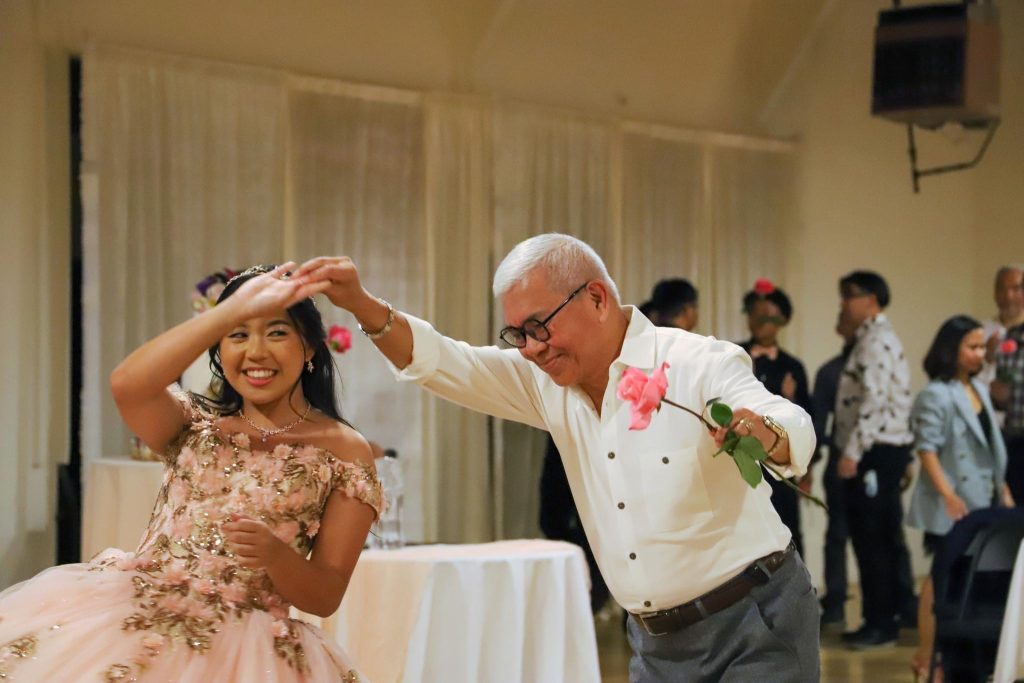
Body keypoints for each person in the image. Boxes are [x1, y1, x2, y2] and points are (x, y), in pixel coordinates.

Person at [297, 234, 819, 682]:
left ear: (595, 297)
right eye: (517, 335)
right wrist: (362, 304)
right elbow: (446, 363)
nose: (530, 349)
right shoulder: (546, 385)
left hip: (755, 619)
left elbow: (786, 420)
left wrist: (763, 431)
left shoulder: (694, 361)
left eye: (538, 327)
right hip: (656, 645)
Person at [0, 264, 381, 682]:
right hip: (134, 626)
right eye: (238, 335)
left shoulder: (343, 450)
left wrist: (276, 556)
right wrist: (227, 311)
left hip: (250, 656)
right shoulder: (193, 424)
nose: (255, 352)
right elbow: (128, 384)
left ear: (309, 347)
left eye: (276, 332)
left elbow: (326, 594)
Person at [906, 315, 1014, 681]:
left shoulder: (980, 390)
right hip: (953, 502)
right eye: (971, 347)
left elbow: (990, 451)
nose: (979, 353)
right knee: (940, 575)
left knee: (973, 576)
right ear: (950, 350)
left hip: (984, 499)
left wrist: (1005, 491)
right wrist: (947, 494)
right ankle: (927, 656)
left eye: (982, 346)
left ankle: (962, 657)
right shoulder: (935, 394)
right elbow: (927, 449)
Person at [833, 270, 915, 649]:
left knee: (872, 540)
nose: (844, 303)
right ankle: (885, 617)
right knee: (878, 536)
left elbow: (875, 400)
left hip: (873, 452)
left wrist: (852, 452)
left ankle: (880, 623)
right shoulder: (868, 339)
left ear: (871, 300)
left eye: (850, 295)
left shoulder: (876, 340)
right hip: (882, 450)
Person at [737, 279, 812, 556]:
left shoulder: (793, 367)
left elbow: (805, 418)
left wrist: (806, 468)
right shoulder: (736, 355)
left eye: (767, 317)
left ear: (782, 321)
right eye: (754, 315)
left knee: (788, 528)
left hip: (778, 464)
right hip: (740, 461)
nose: (760, 323)